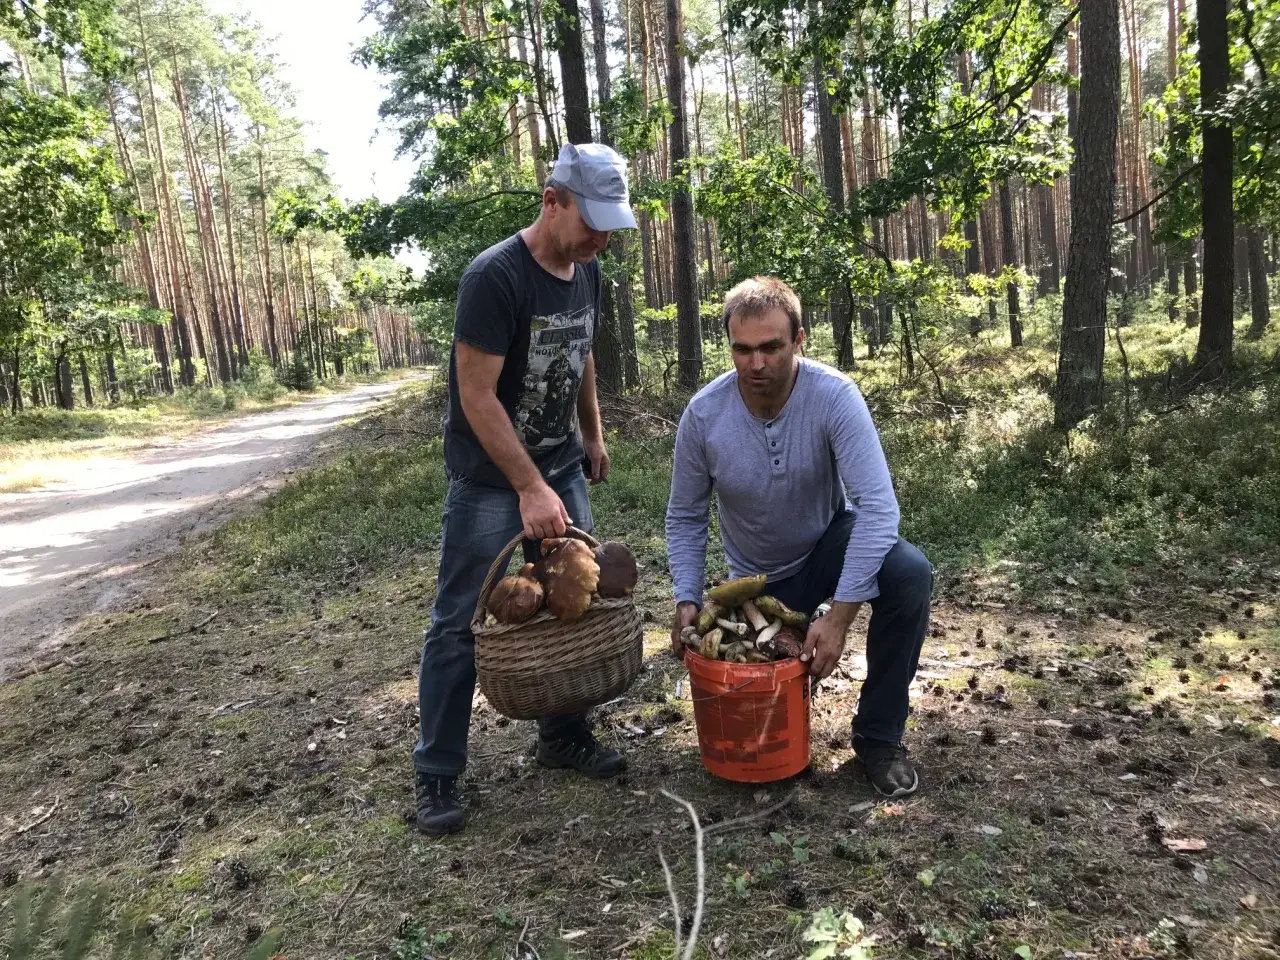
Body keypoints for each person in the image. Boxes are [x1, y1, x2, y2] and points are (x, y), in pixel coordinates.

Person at [413, 143, 638, 836]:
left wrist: (591, 434)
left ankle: (562, 736)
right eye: (591, 220)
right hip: (491, 480)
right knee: (461, 621)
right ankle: (438, 771)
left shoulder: (586, 270)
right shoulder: (495, 278)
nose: (600, 237)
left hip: (560, 466)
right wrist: (529, 487)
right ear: (552, 200)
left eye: (611, 223)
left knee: (572, 604)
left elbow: (582, 355)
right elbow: (476, 397)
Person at [665, 276, 934, 798]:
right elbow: (685, 516)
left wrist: (839, 617)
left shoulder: (833, 397)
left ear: (800, 339)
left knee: (909, 574)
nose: (756, 364)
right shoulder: (704, 414)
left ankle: (879, 737)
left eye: (771, 347)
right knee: (752, 683)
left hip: (828, 541)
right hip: (758, 579)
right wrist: (686, 599)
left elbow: (878, 510)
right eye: (742, 349)